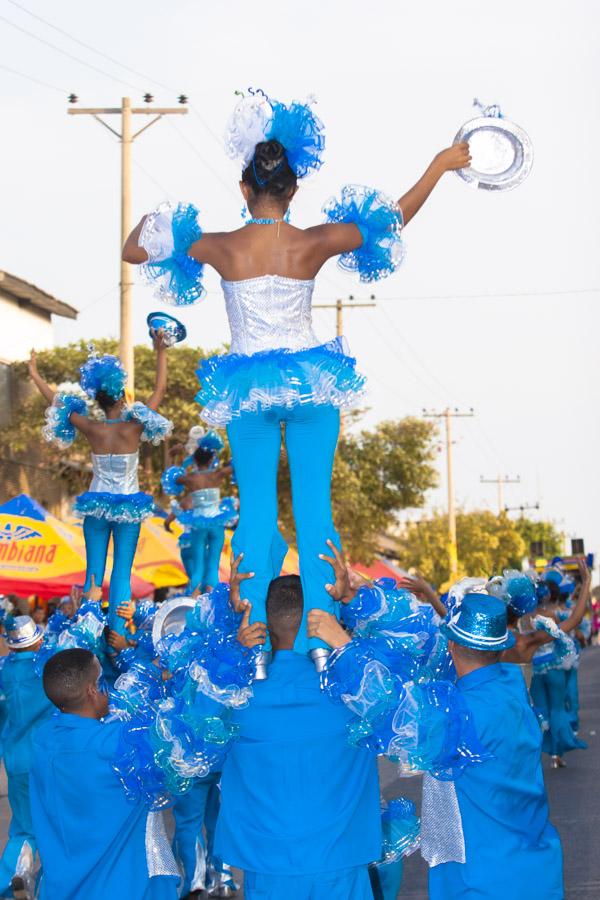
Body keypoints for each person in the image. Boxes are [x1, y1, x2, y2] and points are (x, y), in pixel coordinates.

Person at [123, 89, 471, 672]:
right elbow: (394, 218)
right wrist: (438, 164)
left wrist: (161, 220)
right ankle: (318, 640)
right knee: (316, 513)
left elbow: (134, 250)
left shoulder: (222, 246)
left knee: (256, 514)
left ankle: (256, 637)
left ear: (244, 188)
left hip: (247, 390)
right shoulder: (313, 242)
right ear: (294, 189)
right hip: (312, 385)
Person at [214, 573, 382, 899]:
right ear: (320, 619)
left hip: (266, 873)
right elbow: (407, 691)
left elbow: (185, 718)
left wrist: (232, 641)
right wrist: (349, 628)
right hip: (341, 868)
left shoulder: (236, 694)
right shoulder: (353, 689)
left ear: (264, 622)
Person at [422, 594, 563, 900]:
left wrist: (341, 643)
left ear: (452, 646)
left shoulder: (457, 712)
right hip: (534, 865)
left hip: (483, 877)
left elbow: (386, 718)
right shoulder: (512, 686)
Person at [29, 336, 172, 636]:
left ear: (98, 399)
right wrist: (161, 351)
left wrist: (36, 375)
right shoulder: (133, 427)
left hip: (95, 505)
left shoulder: (91, 428)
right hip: (127, 507)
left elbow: (56, 403)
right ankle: (116, 635)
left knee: (93, 572)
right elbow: (160, 390)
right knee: (121, 573)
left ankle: (88, 632)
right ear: (121, 396)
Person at [30, 648, 180, 900]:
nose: (110, 690)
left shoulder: (42, 738)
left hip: (62, 885)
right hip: (124, 886)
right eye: (103, 681)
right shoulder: (115, 744)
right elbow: (184, 739)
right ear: (92, 690)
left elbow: (112, 710)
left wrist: (150, 672)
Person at [0, 616, 53, 900]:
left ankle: (19, 877)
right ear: (38, 641)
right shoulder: (46, 666)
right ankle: (16, 876)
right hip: (45, 757)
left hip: (15, 758)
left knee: (23, 823)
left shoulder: (4, 672)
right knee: (44, 824)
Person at [162, 440, 236, 594]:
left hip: (198, 524)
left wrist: (173, 456)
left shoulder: (190, 478)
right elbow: (237, 466)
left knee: (198, 568)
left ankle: (193, 601)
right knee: (213, 566)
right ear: (211, 460)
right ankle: (213, 602)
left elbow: (170, 475)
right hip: (216, 522)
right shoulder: (218, 474)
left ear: (194, 460)